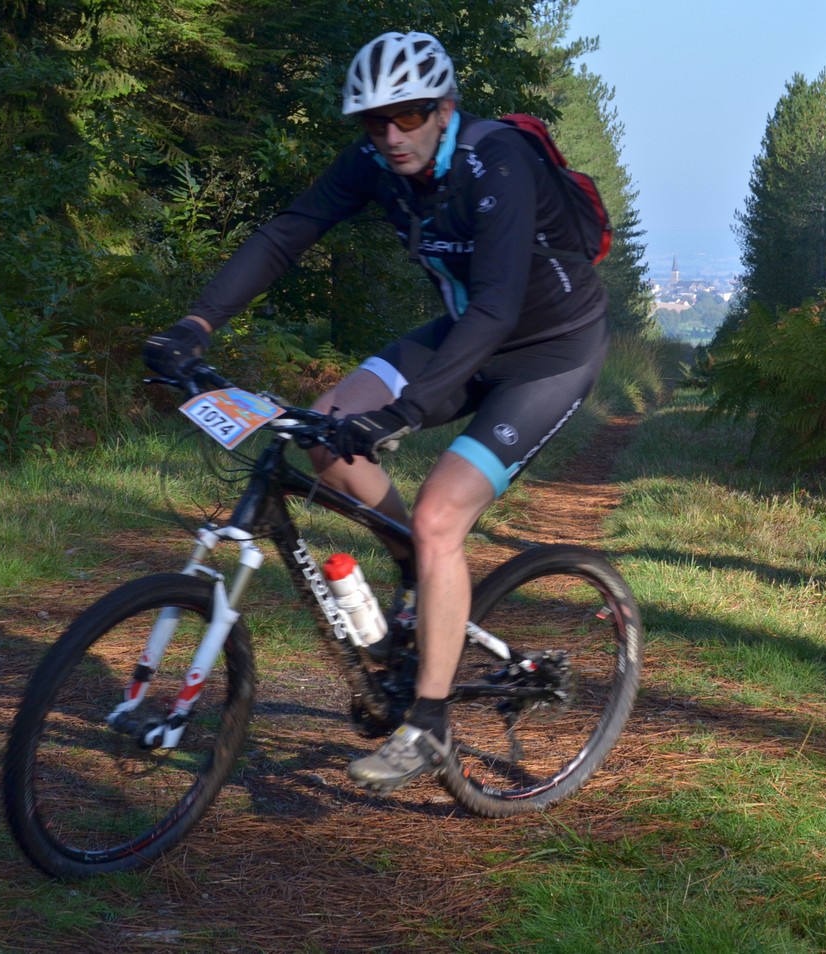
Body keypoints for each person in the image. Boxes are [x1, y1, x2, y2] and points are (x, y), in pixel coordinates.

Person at [142, 31, 609, 794]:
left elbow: (496, 306)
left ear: (444, 108)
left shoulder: (497, 162)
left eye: (410, 115)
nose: (392, 135)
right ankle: (414, 567)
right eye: (374, 120)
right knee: (326, 429)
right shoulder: (375, 161)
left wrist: (405, 413)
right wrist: (196, 325)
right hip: (463, 334)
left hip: (549, 353)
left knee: (439, 515)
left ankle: (428, 723)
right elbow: (287, 235)